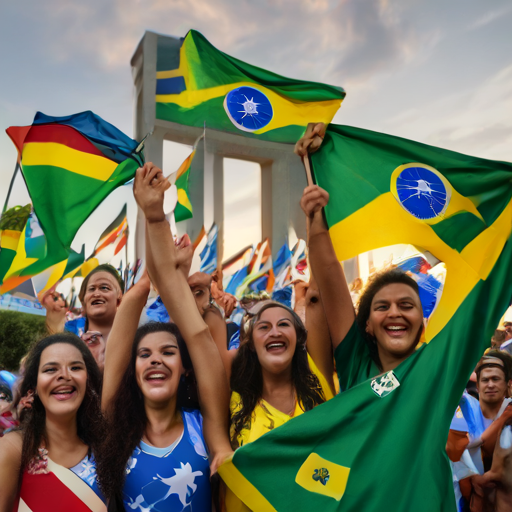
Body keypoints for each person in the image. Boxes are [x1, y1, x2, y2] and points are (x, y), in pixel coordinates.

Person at [96, 162, 232, 511]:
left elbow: (199, 335)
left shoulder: (207, 426)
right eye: (144, 355)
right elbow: (123, 328)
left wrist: (157, 220)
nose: (155, 358)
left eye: (169, 352)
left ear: (186, 367)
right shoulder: (116, 424)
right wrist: (151, 273)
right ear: (133, 370)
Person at [0, 333, 106, 512]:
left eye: (75, 367)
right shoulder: (14, 448)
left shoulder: (105, 451)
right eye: (50, 369)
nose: (65, 375)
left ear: (88, 381)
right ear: (34, 387)